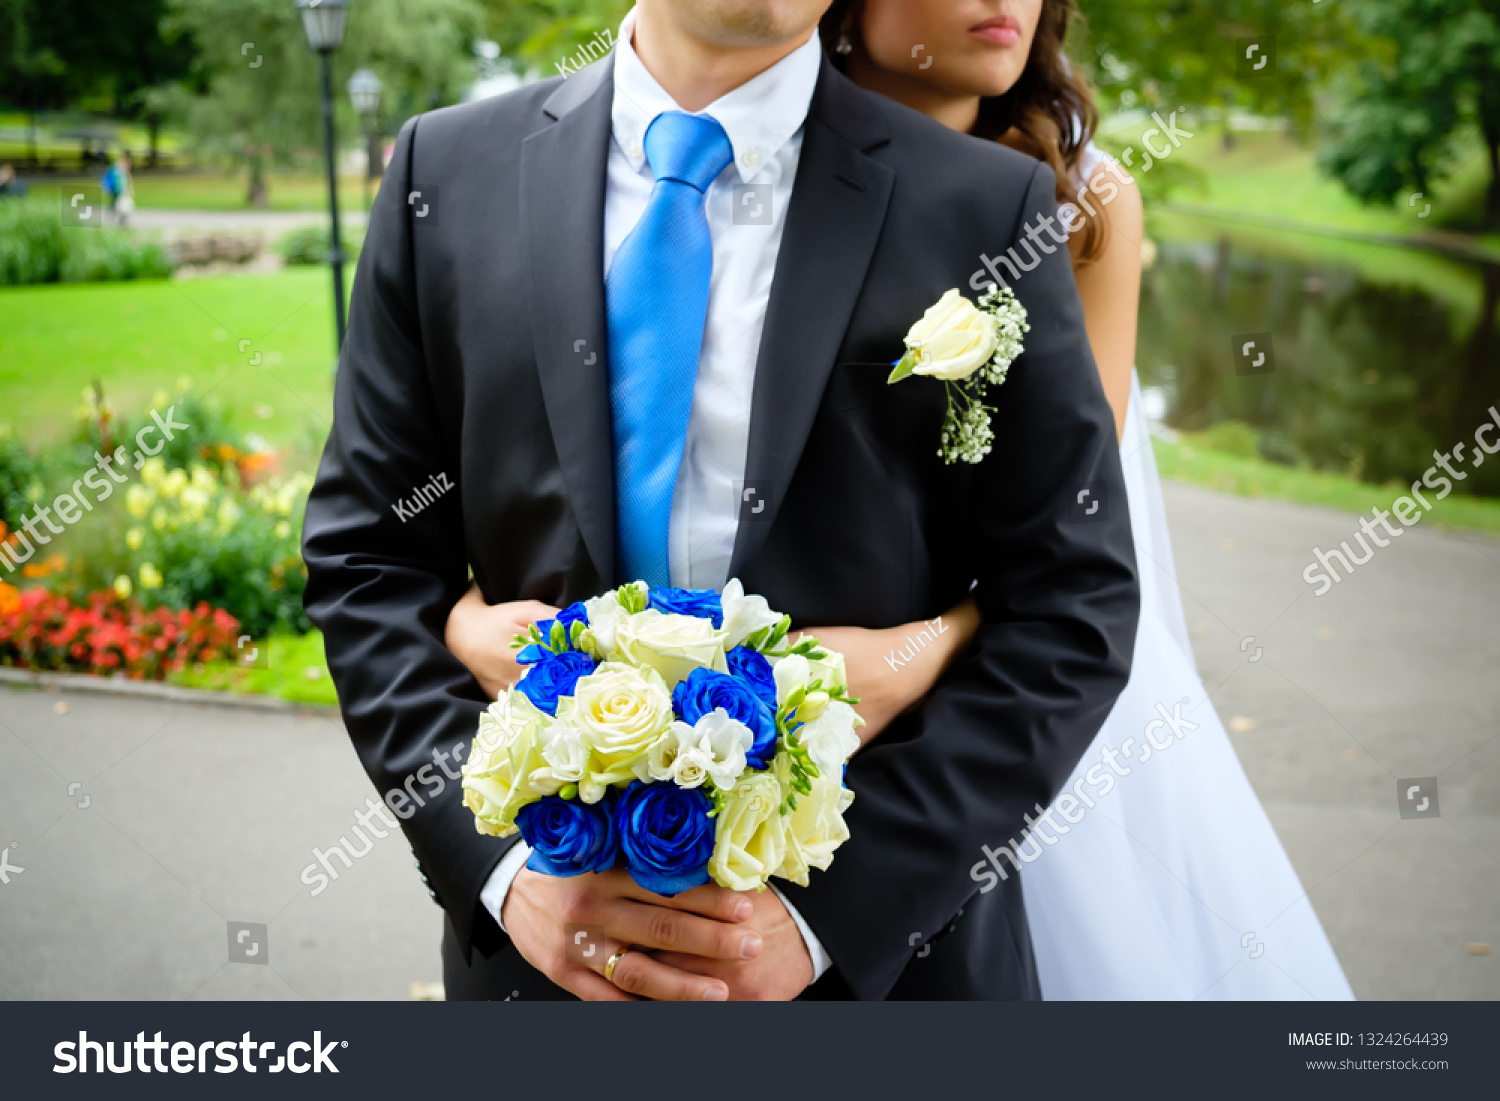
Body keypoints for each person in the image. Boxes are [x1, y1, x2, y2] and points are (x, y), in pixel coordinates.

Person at [304, 0, 1138, 1002]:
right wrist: (506, 872)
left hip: (888, 975)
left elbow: (1073, 601)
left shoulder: (984, 207)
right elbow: (369, 562)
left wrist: (829, 917)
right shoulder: (445, 174)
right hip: (536, 969)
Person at [816, 0, 1350, 999]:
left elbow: (1076, 521)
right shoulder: (774, 167)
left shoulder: (1084, 201)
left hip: (1015, 667)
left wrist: (921, 652)